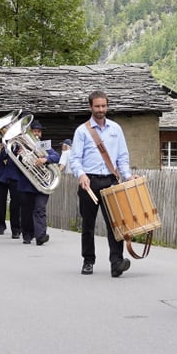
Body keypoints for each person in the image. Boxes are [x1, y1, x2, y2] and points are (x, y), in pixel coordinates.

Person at [70, 91, 134, 277]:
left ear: (107, 106)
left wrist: (127, 175)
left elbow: (122, 157)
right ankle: (88, 260)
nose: (101, 110)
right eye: (97, 106)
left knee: (116, 225)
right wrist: (81, 175)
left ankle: (116, 262)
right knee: (88, 225)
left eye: (103, 106)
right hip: (89, 181)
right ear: (90, 107)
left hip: (110, 180)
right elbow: (75, 159)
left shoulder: (116, 129)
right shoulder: (82, 131)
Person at [15, 119, 58, 246]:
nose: (37, 134)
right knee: (26, 211)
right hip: (26, 183)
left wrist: (46, 159)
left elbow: (56, 156)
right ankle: (27, 235)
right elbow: (13, 163)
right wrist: (20, 155)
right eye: (35, 131)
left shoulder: (44, 145)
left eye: (39, 131)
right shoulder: (22, 146)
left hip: (41, 184)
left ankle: (40, 236)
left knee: (40, 209)